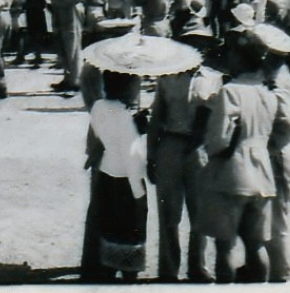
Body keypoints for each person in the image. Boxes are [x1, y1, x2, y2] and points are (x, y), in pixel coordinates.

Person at [197, 31, 278, 284]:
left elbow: (219, 137)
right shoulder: (269, 93)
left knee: (226, 245)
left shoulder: (230, 91)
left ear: (241, 59)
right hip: (262, 172)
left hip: (232, 172)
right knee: (256, 245)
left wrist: (209, 153)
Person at [147, 43, 222, 283]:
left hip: (200, 150)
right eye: (191, 41)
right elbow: (157, 116)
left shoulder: (215, 79)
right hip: (170, 144)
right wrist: (151, 155)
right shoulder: (166, 77)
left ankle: (197, 267)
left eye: (200, 41)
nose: (196, 48)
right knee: (169, 212)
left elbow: (220, 118)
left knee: (200, 210)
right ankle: (168, 270)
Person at [254, 23, 290, 283]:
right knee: (274, 217)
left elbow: (288, 122)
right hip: (288, 151)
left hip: (278, 154)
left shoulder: (278, 84)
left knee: (275, 220)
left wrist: (272, 140)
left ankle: (280, 273)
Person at [81, 71, 147, 282]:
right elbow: (132, 159)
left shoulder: (99, 106)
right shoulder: (125, 118)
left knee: (109, 230)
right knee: (129, 234)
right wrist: (140, 195)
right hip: (126, 182)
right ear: (126, 87)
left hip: (106, 176)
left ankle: (105, 273)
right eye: (137, 84)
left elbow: (108, 133)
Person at [51, 0, 87, 93]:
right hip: (62, 10)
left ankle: (75, 82)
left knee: (73, 47)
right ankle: (67, 79)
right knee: (64, 47)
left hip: (71, 10)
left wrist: (60, 3)